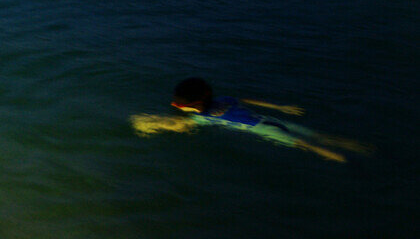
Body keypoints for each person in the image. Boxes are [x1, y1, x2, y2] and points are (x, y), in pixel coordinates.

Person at [130, 77, 365, 162]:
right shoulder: (225, 99)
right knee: (316, 135)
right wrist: (280, 106)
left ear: (192, 105)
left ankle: (342, 159)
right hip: (267, 119)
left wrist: (146, 125)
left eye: (178, 103)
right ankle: (358, 147)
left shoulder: (201, 119)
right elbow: (249, 100)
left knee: (307, 145)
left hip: (263, 131)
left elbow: (180, 126)